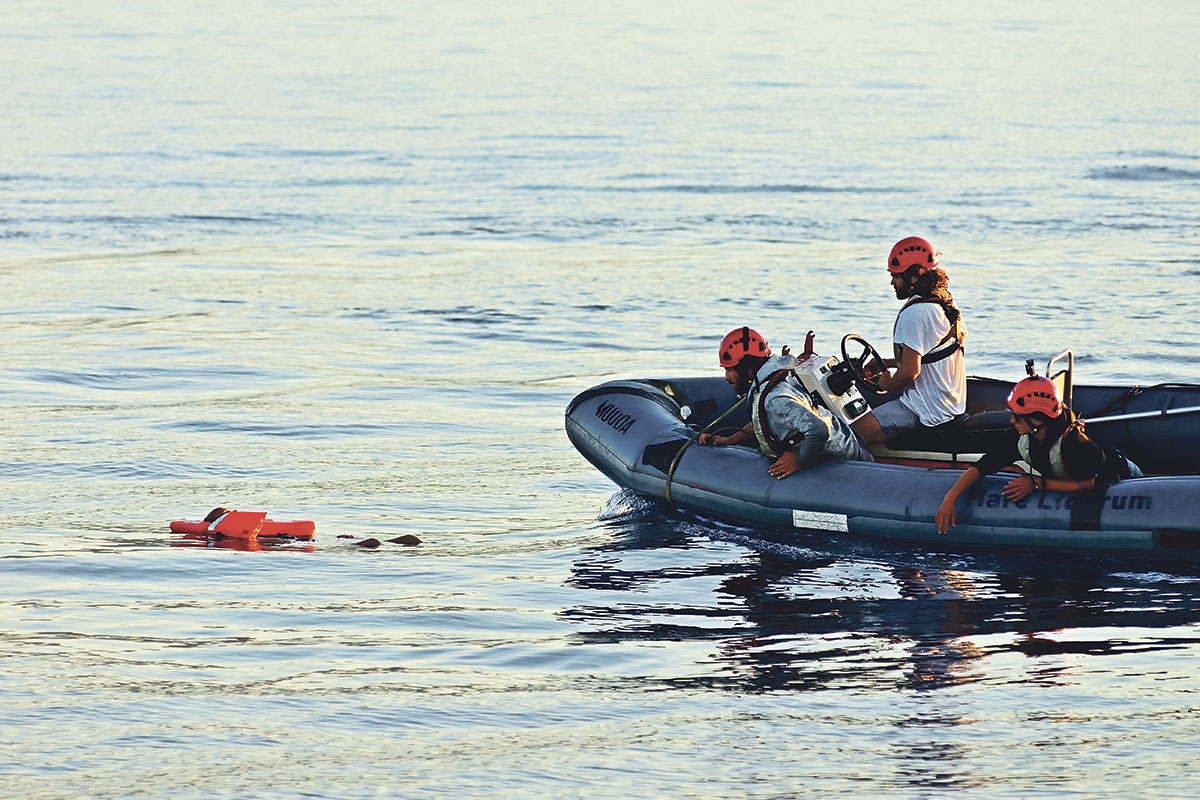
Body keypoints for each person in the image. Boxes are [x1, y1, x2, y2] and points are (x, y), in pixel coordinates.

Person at [934, 373, 1142, 534]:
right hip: (1073, 476)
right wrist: (950, 498)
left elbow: (1087, 484)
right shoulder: (1022, 439)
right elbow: (983, 466)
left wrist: (1036, 483)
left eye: (1017, 417)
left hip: (1123, 475)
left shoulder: (1077, 445)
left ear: (1037, 420)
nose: (1011, 421)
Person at [698, 326, 872, 479]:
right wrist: (730, 440)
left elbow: (818, 429)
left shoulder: (776, 398)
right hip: (845, 436)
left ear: (748, 370)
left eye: (729, 370)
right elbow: (761, 422)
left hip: (850, 453)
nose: (727, 377)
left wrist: (799, 460)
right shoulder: (768, 384)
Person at [852, 236, 968, 447]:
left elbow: (909, 373)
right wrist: (884, 363)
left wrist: (887, 384)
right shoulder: (944, 302)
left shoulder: (916, 314)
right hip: (950, 405)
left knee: (849, 435)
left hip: (924, 410)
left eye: (896, 276)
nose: (892, 282)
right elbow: (929, 356)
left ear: (915, 275)